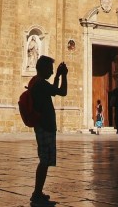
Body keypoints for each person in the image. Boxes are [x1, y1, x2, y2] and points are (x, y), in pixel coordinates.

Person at [29, 56, 67, 207]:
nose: (52, 72)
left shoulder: (37, 82)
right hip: (45, 126)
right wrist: (64, 75)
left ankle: (38, 193)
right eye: (50, 69)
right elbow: (62, 92)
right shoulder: (40, 84)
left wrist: (58, 75)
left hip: (43, 126)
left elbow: (53, 92)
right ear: (43, 68)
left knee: (44, 160)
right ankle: (37, 195)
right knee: (44, 161)